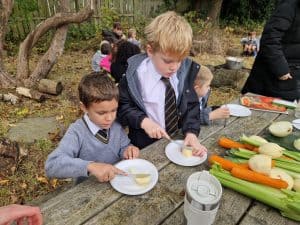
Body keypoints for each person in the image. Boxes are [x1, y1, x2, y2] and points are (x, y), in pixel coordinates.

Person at [117, 11, 207, 156]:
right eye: (167, 61)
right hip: (144, 145)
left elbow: (191, 106)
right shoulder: (133, 77)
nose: (175, 67)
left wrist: (191, 132)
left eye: (180, 60)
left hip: (176, 143)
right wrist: (143, 121)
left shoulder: (184, 72)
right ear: (150, 51)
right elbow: (123, 107)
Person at [45, 72, 139, 184]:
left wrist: (128, 150)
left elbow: (124, 146)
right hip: (89, 189)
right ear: (84, 107)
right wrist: (91, 166)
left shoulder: (115, 125)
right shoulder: (77, 132)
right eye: (101, 113)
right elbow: (51, 165)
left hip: (119, 180)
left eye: (114, 110)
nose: (109, 118)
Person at [241, 0, 300, 101]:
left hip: (294, 74)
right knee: (262, 111)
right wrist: (281, 69)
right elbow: (270, 39)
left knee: (287, 113)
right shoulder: (288, 8)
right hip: (275, 74)